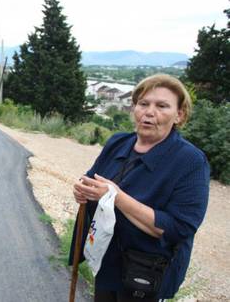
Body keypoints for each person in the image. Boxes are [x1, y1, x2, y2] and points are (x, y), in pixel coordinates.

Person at [69, 74, 210, 301]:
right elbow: (91, 178)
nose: (150, 112)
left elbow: (179, 228)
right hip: (107, 261)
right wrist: (81, 187)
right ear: (134, 108)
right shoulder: (118, 142)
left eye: (162, 106)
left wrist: (116, 197)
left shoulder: (191, 162)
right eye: (143, 104)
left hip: (146, 273)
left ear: (179, 115)